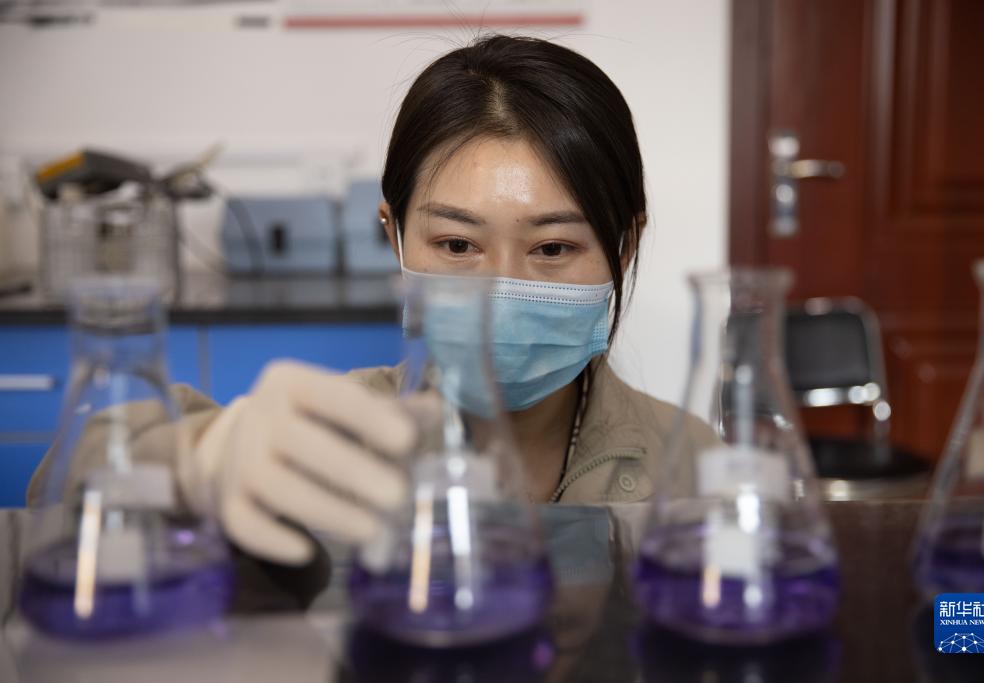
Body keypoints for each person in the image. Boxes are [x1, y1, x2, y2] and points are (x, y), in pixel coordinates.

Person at [28, 34, 715, 567]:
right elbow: (59, 485)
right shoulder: (327, 443)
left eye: (553, 248)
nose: (496, 290)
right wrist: (199, 459)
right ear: (395, 237)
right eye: (457, 244)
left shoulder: (692, 459)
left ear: (624, 246)